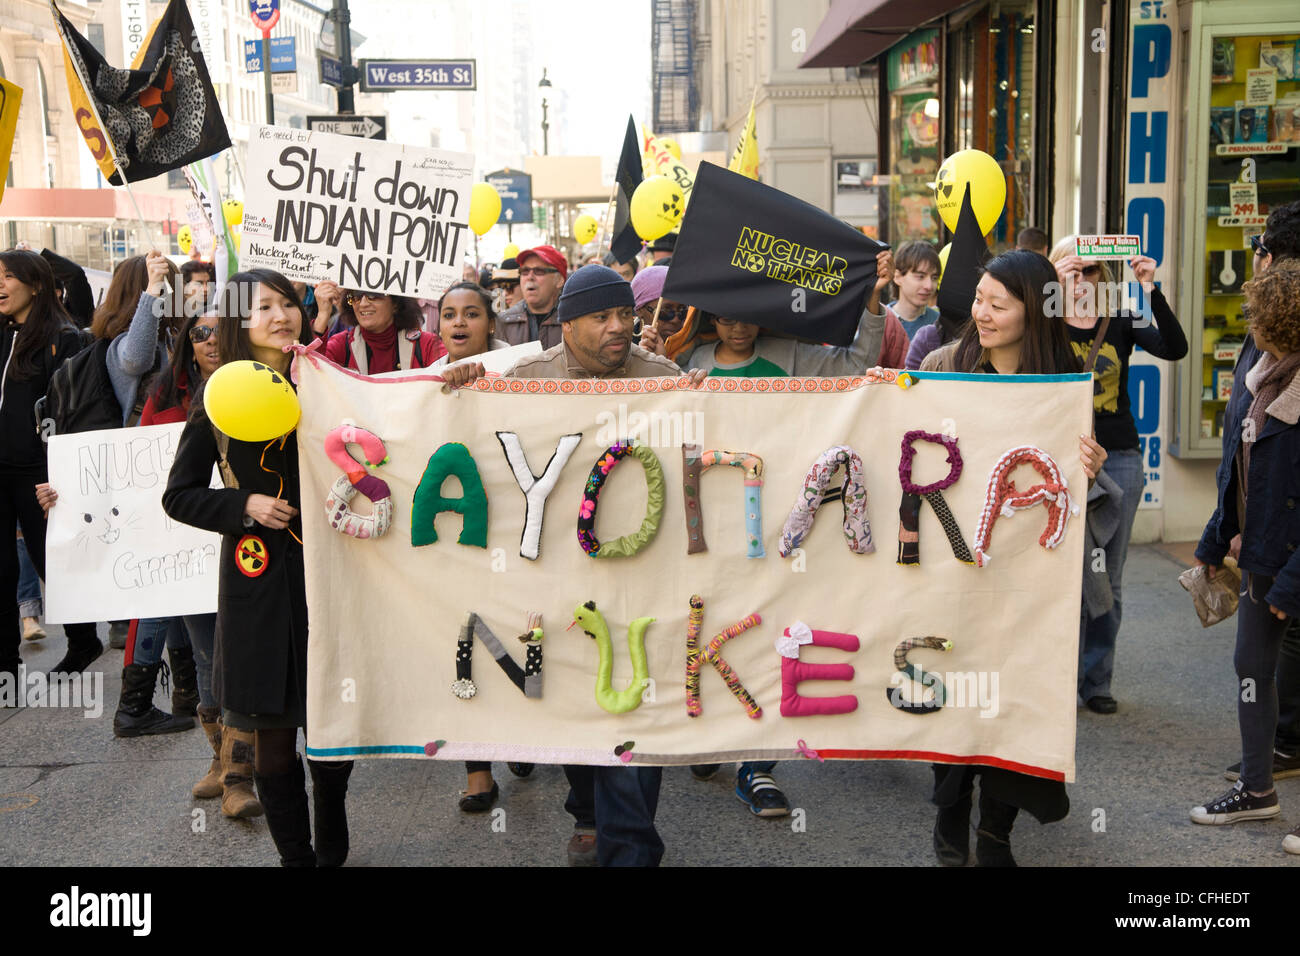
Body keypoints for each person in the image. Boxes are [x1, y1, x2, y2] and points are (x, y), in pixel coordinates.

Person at [442, 265, 707, 866]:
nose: (621, 328)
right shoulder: (526, 380)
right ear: (567, 326)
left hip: (640, 576)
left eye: (625, 316)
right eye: (602, 318)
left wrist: (705, 402)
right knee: (571, 700)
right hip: (559, 578)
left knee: (634, 708)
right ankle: (593, 816)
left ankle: (630, 848)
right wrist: (461, 389)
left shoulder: (662, 378)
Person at [919, 250, 1107, 866]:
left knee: (1017, 693)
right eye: (979, 299)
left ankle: (995, 828)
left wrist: (1089, 466)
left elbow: (1072, 483)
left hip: (1030, 580)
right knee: (958, 685)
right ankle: (951, 810)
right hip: (958, 565)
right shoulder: (944, 365)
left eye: (999, 304)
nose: (982, 313)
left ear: (1036, 311)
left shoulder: (1064, 384)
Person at [163, 270, 353, 866]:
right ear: (238, 322)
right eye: (262, 307)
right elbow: (179, 495)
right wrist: (242, 505)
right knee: (273, 740)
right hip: (258, 587)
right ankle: (295, 857)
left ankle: (332, 837)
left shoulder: (331, 379)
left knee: (332, 733)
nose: (280, 316)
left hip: (334, 575)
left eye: (286, 303)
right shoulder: (219, 396)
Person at [1048, 236, 1188, 713]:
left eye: (1091, 271)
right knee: (1066, 572)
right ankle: (1056, 675)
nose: (1083, 279)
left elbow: (1175, 347)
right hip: (1060, 457)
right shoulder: (1043, 323)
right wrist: (1050, 286)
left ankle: (1097, 681)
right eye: (1073, 269)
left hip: (1119, 456)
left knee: (1110, 570)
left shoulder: (1120, 318)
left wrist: (1150, 289)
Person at [1190, 260, 1300, 854]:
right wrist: (1214, 543)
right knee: (1251, 671)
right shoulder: (1264, 380)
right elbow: (1240, 473)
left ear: (1278, 323)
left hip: (1290, 568)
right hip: (1262, 558)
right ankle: (1258, 792)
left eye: (1257, 314)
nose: (1249, 323)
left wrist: (1290, 585)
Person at [0, 250, 103, 679]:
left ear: (36, 284)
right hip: (1, 469)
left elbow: (73, 410)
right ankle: (6, 668)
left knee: (52, 563)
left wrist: (61, 473)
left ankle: (83, 641)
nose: (0, 285)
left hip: (41, 474)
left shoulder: (63, 337)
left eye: (7, 277)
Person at [658, 249, 899, 376]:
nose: (740, 328)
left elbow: (855, 364)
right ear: (712, 319)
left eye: (750, 317)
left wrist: (873, 296)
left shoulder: (788, 354)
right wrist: (656, 359)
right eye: (729, 319)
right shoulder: (694, 363)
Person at [312, 281, 445, 374]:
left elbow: (453, 372)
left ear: (395, 304)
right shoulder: (341, 346)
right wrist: (322, 315)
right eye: (356, 297)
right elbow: (311, 373)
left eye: (373, 295)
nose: (363, 304)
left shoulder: (426, 345)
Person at [497, 246, 567, 349]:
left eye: (539, 271)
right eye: (525, 271)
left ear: (559, 280)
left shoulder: (574, 322)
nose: (530, 277)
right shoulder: (502, 322)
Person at [887, 240, 942, 340]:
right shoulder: (879, 322)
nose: (929, 286)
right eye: (920, 276)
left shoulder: (940, 324)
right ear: (898, 277)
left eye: (934, 278)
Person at [629, 265, 688, 343]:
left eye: (682, 311)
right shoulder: (623, 349)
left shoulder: (694, 348)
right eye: (665, 312)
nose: (676, 320)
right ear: (639, 310)